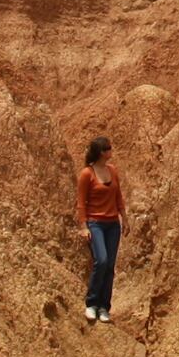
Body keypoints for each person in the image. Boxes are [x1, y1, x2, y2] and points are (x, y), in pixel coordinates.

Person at [74, 137, 125, 324]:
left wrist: (124, 218)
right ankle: (92, 303)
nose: (111, 151)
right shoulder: (87, 174)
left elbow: (118, 196)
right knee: (101, 261)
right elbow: (81, 202)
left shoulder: (112, 171)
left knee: (110, 266)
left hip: (113, 224)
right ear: (101, 152)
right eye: (108, 148)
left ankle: (105, 307)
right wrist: (83, 226)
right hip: (96, 223)